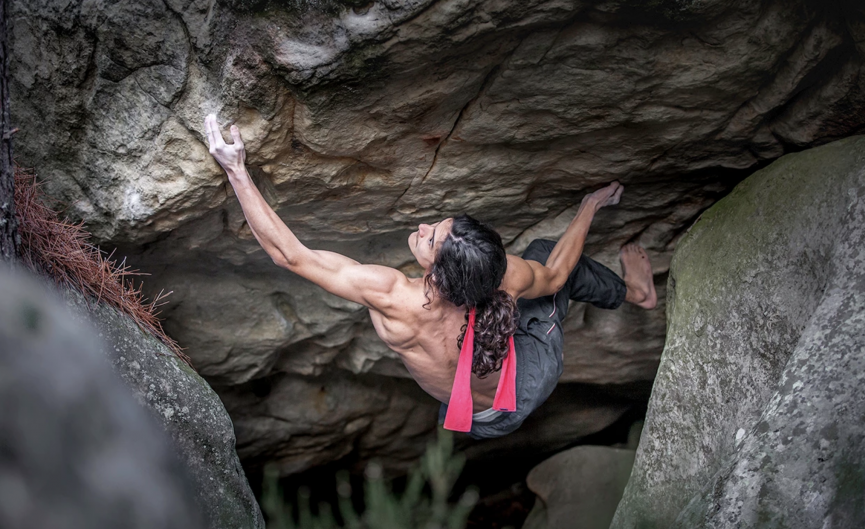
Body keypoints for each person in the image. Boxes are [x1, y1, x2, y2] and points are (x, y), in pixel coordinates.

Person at [203, 114, 657, 439]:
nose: (421, 228)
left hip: (479, 420)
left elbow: (292, 256)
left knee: (542, 259)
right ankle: (632, 292)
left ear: (439, 272)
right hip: (521, 388)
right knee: (544, 253)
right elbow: (556, 274)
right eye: (435, 227)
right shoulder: (506, 278)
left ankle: (637, 293)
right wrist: (589, 206)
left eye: (430, 237)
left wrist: (237, 170)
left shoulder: (393, 298)